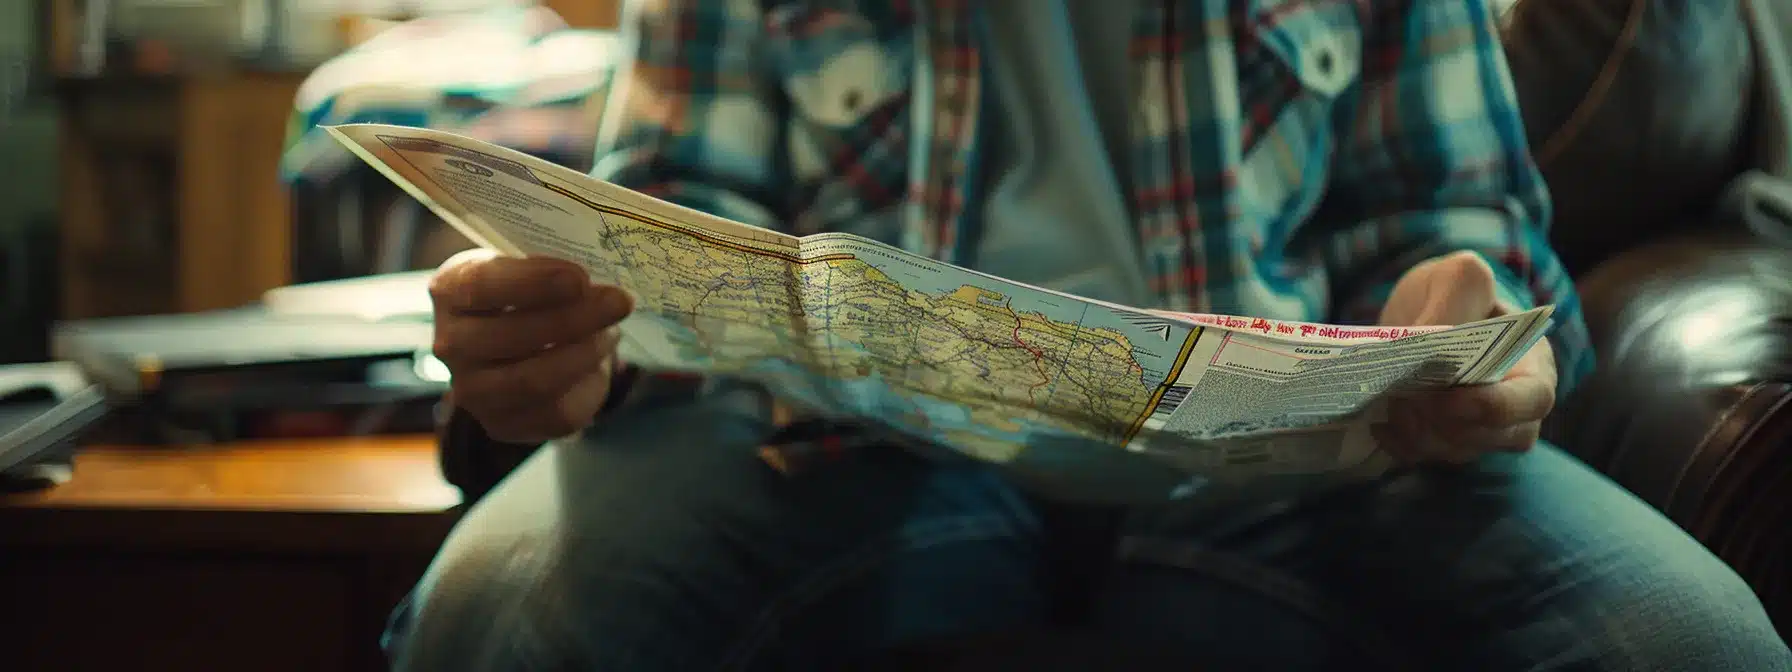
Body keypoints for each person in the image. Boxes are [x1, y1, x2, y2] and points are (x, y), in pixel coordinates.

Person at [383, 0, 1792, 669]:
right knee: (490, 621)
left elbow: (1453, 214)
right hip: (830, 459)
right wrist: (573, 346)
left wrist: (1472, 316)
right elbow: (675, 224)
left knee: (1690, 643)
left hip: (1306, 479)